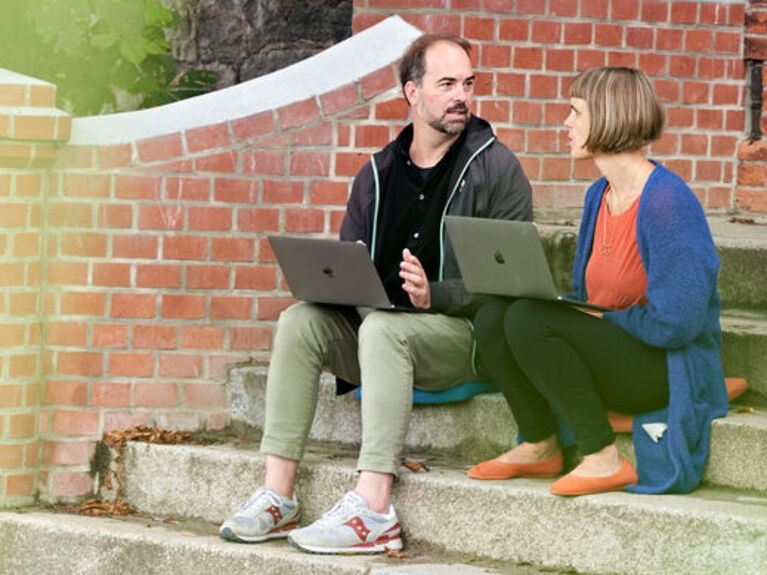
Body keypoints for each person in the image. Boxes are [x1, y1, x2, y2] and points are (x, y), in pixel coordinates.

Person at [219, 34, 533, 553]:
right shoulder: (377, 173)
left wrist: (439, 295)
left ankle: (374, 507)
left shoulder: (495, 167)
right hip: (380, 332)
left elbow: (514, 282)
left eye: (469, 84)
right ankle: (277, 496)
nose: (463, 96)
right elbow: (350, 263)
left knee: (386, 329)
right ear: (412, 92)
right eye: (447, 84)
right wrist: (337, 287)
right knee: (300, 320)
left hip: (464, 335)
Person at [467, 66, 727, 496]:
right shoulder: (599, 195)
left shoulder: (668, 202)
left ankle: (603, 456)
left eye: (575, 112)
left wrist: (602, 319)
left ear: (608, 117)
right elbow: (591, 296)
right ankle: (539, 443)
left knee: (530, 319)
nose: (565, 124)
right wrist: (579, 308)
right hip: (620, 350)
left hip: (662, 364)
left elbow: (679, 323)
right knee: (496, 315)